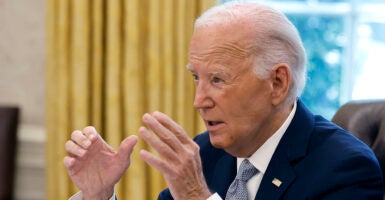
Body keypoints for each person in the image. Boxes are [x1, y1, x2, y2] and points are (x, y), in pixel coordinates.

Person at [64, 1, 385, 200]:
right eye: (196, 78)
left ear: (277, 83)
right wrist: (99, 195)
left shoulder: (345, 169)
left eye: (217, 80)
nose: (199, 101)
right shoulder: (205, 153)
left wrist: (196, 199)